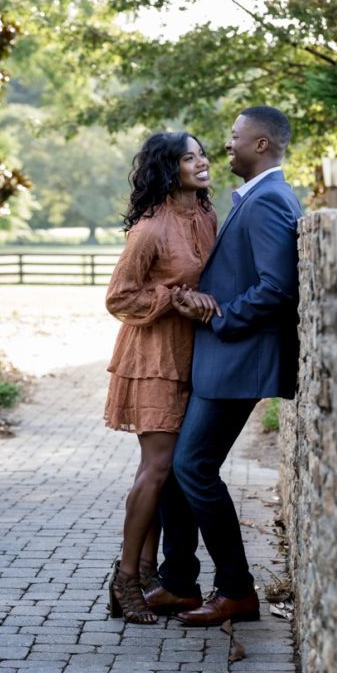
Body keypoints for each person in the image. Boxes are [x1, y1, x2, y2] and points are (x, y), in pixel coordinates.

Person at [143, 106, 302, 626]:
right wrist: (200, 302)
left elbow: (277, 289)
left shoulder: (270, 201)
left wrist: (222, 316)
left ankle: (236, 590)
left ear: (260, 145)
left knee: (192, 468)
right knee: (177, 473)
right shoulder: (251, 199)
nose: (225, 147)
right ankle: (179, 583)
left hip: (239, 361)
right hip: (222, 359)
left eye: (234, 138)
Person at [103, 132, 219, 624]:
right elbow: (118, 298)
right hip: (151, 357)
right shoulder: (149, 230)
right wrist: (173, 299)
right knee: (157, 468)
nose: (202, 162)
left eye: (202, 153)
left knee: (167, 470)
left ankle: (148, 572)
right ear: (169, 169)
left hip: (193, 355)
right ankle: (126, 578)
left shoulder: (209, 217)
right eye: (188, 157)